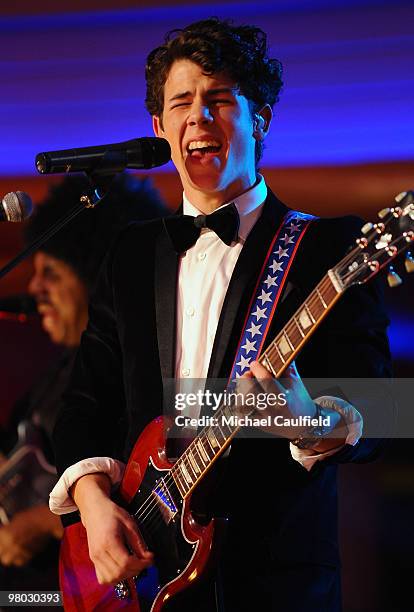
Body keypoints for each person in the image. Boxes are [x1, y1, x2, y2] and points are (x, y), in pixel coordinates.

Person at [50, 18, 391, 612]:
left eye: (220, 100)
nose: (198, 117)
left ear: (260, 120)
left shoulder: (329, 249)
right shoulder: (130, 255)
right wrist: (95, 502)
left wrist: (307, 421)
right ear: (159, 127)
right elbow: (86, 404)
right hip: (146, 575)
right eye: (181, 102)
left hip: (275, 587)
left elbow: (385, 411)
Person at [0, 173, 166, 593]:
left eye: (51, 273)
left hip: (74, 589)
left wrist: (41, 523)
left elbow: (138, 489)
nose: (35, 287)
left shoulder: (134, 376)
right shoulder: (57, 376)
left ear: (93, 278)